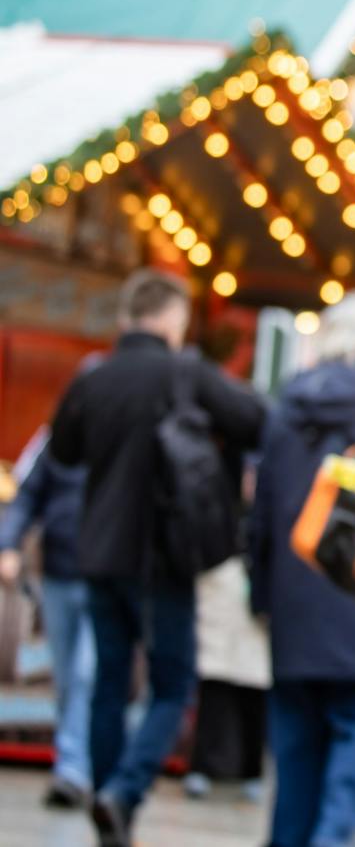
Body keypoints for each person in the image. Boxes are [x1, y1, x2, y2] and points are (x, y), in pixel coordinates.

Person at [49, 268, 267, 847]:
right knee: (171, 686)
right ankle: (124, 793)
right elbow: (258, 422)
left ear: (127, 316)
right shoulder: (187, 372)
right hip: (165, 555)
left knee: (109, 686)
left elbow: (65, 453)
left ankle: (107, 803)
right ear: (174, 317)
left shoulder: (93, 377)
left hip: (97, 550)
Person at [249, 293, 355, 847]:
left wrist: (262, 599)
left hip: (294, 614)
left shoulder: (285, 406)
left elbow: (262, 516)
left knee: (293, 771)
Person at [0, 427, 93, 809]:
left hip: (107, 575)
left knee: (90, 673)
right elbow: (28, 493)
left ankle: (75, 770)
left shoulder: (124, 438)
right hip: (58, 570)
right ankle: (78, 761)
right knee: (70, 675)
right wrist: (9, 544)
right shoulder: (59, 440)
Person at [185, 555, 270, 800]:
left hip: (252, 589)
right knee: (214, 689)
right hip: (221, 586)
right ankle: (202, 768)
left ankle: (251, 773)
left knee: (253, 693)